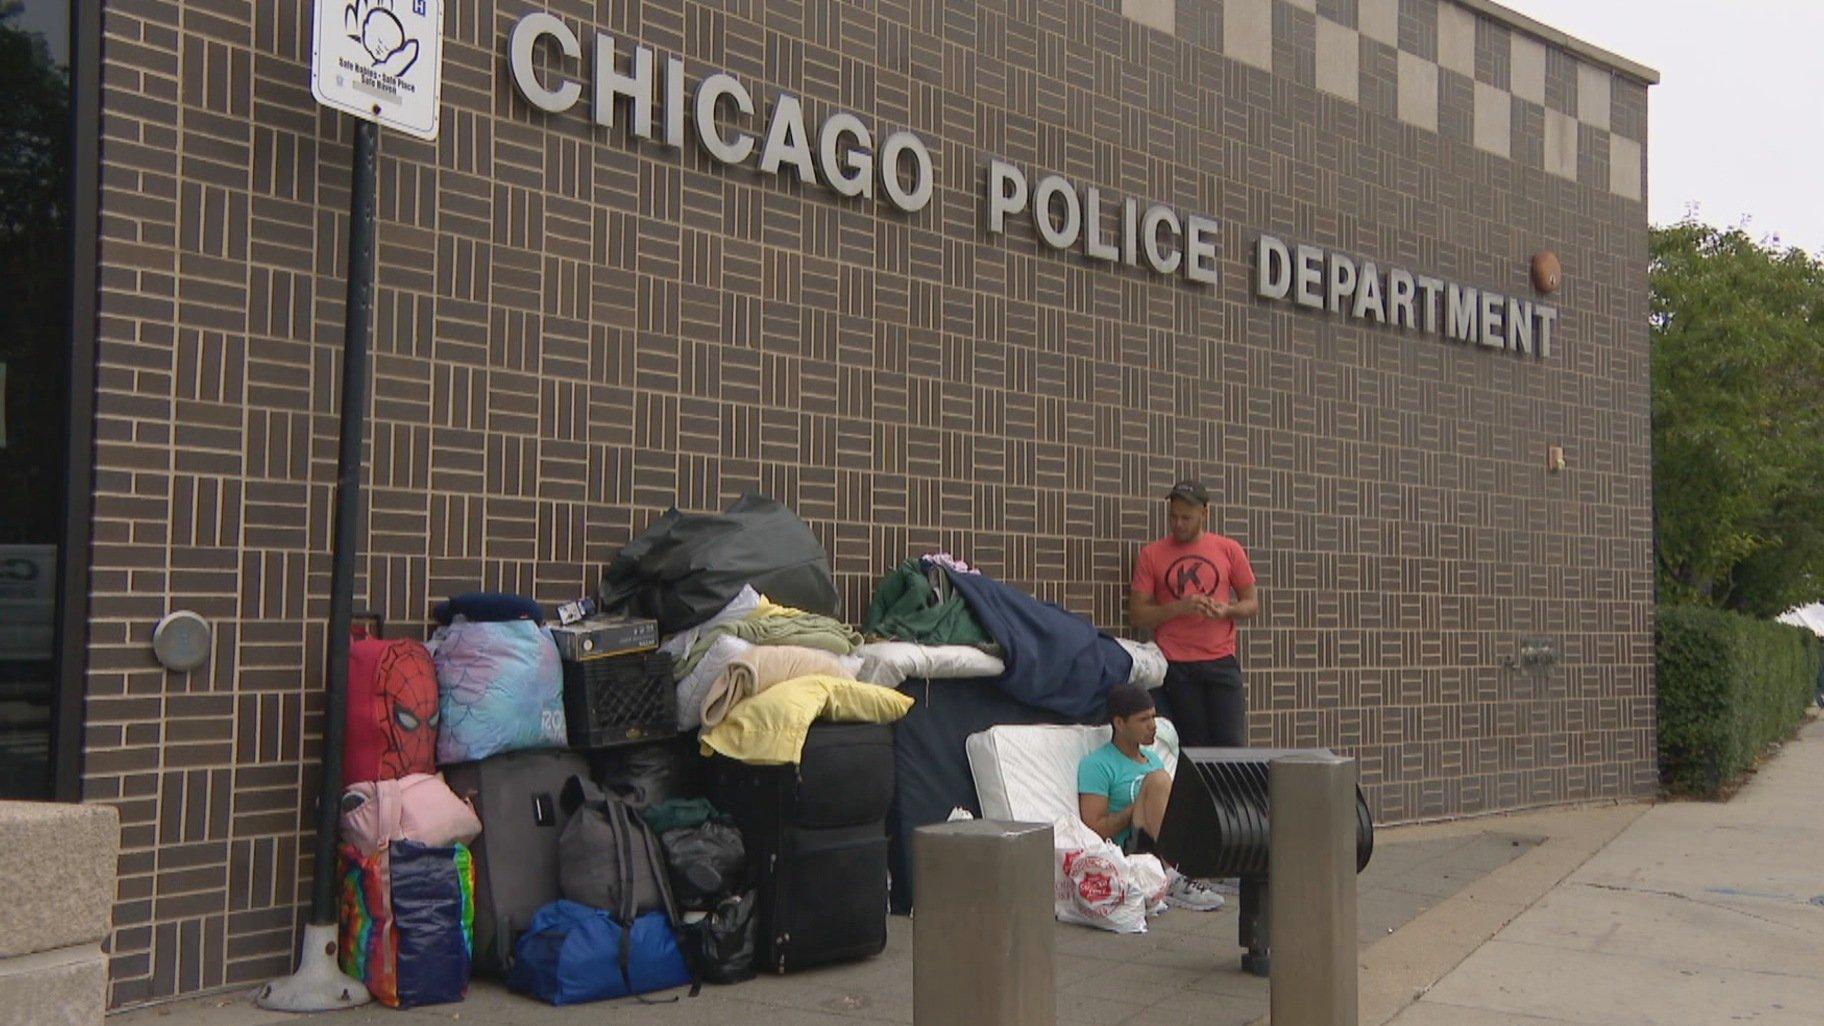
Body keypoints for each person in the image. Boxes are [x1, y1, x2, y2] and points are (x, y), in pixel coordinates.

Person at [1129, 480, 1258, 748]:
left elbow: (1251, 603)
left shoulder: (1229, 549)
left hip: (1220, 660)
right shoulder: (1151, 554)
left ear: (1205, 513)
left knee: (1231, 746)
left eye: (1186, 518)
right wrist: (1179, 607)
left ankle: (1227, 791)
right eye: (1173, 517)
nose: (1178, 524)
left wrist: (1226, 610)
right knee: (1190, 746)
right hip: (1176, 666)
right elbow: (1137, 615)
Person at [1076, 684, 1226, 911]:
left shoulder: (1152, 759)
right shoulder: (1097, 765)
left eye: (1154, 717)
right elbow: (1094, 829)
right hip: (1130, 849)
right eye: (1143, 719)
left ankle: (1215, 868)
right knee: (1157, 781)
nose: (1153, 726)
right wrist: (1139, 806)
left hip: (1160, 840)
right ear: (1119, 723)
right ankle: (1174, 877)